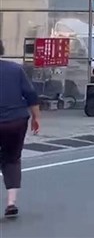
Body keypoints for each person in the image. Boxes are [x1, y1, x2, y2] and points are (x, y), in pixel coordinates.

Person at [0, 40, 41, 218]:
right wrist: (36, 117)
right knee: (12, 159)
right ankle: (11, 203)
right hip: (16, 121)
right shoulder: (15, 69)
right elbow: (30, 94)